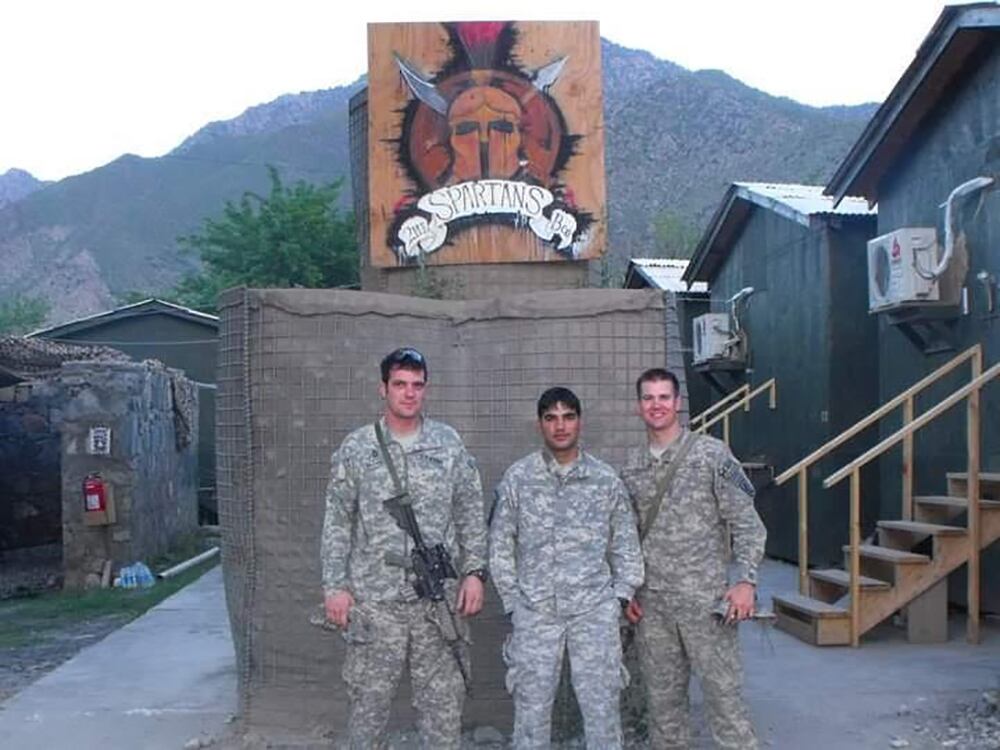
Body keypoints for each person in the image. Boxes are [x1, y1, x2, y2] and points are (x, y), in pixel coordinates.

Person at [320, 347, 488, 750]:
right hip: (376, 602)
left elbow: (470, 511)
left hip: (437, 603)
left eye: (417, 385)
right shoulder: (358, 448)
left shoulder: (448, 444)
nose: (409, 394)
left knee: (443, 712)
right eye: (400, 385)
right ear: (383, 389)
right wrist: (334, 586)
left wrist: (475, 573)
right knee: (368, 709)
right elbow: (338, 520)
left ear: (425, 389)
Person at [490, 386, 644, 749]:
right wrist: (515, 603)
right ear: (540, 424)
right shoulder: (518, 478)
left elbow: (627, 546)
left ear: (580, 421)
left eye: (568, 417)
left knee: (602, 712)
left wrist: (619, 599)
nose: (560, 426)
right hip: (536, 613)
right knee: (530, 714)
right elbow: (499, 546)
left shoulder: (605, 480)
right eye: (551, 418)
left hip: (593, 614)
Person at [620, 368, 766, 750]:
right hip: (653, 611)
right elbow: (625, 538)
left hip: (707, 607)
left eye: (664, 397)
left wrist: (746, 581)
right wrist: (627, 592)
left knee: (726, 707)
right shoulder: (631, 465)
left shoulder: (711, 455)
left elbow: (749, 525)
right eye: (648, 398)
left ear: (678, 403)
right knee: (664, 712)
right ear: (639, 407)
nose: (656, 405)